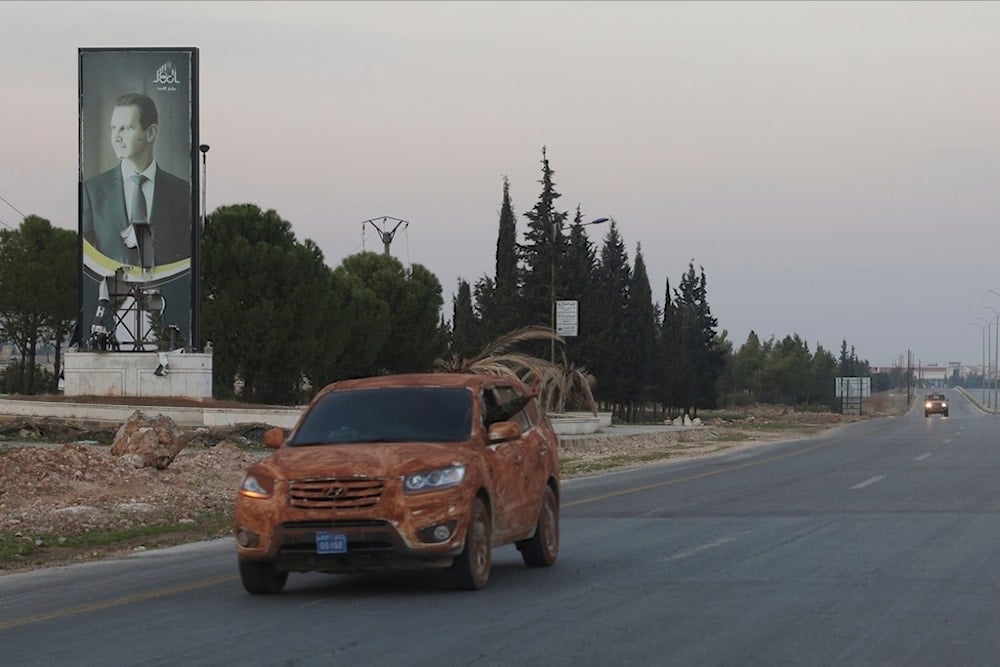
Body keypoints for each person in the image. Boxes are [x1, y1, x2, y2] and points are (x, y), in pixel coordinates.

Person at [82, 93, 191, 269]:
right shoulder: (91, 192)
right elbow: (84, 259)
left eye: (125, 128)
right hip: (113, 293)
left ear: (150, 133)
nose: (115, 137)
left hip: (169, 294)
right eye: (113, 128)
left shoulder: (183, 193)